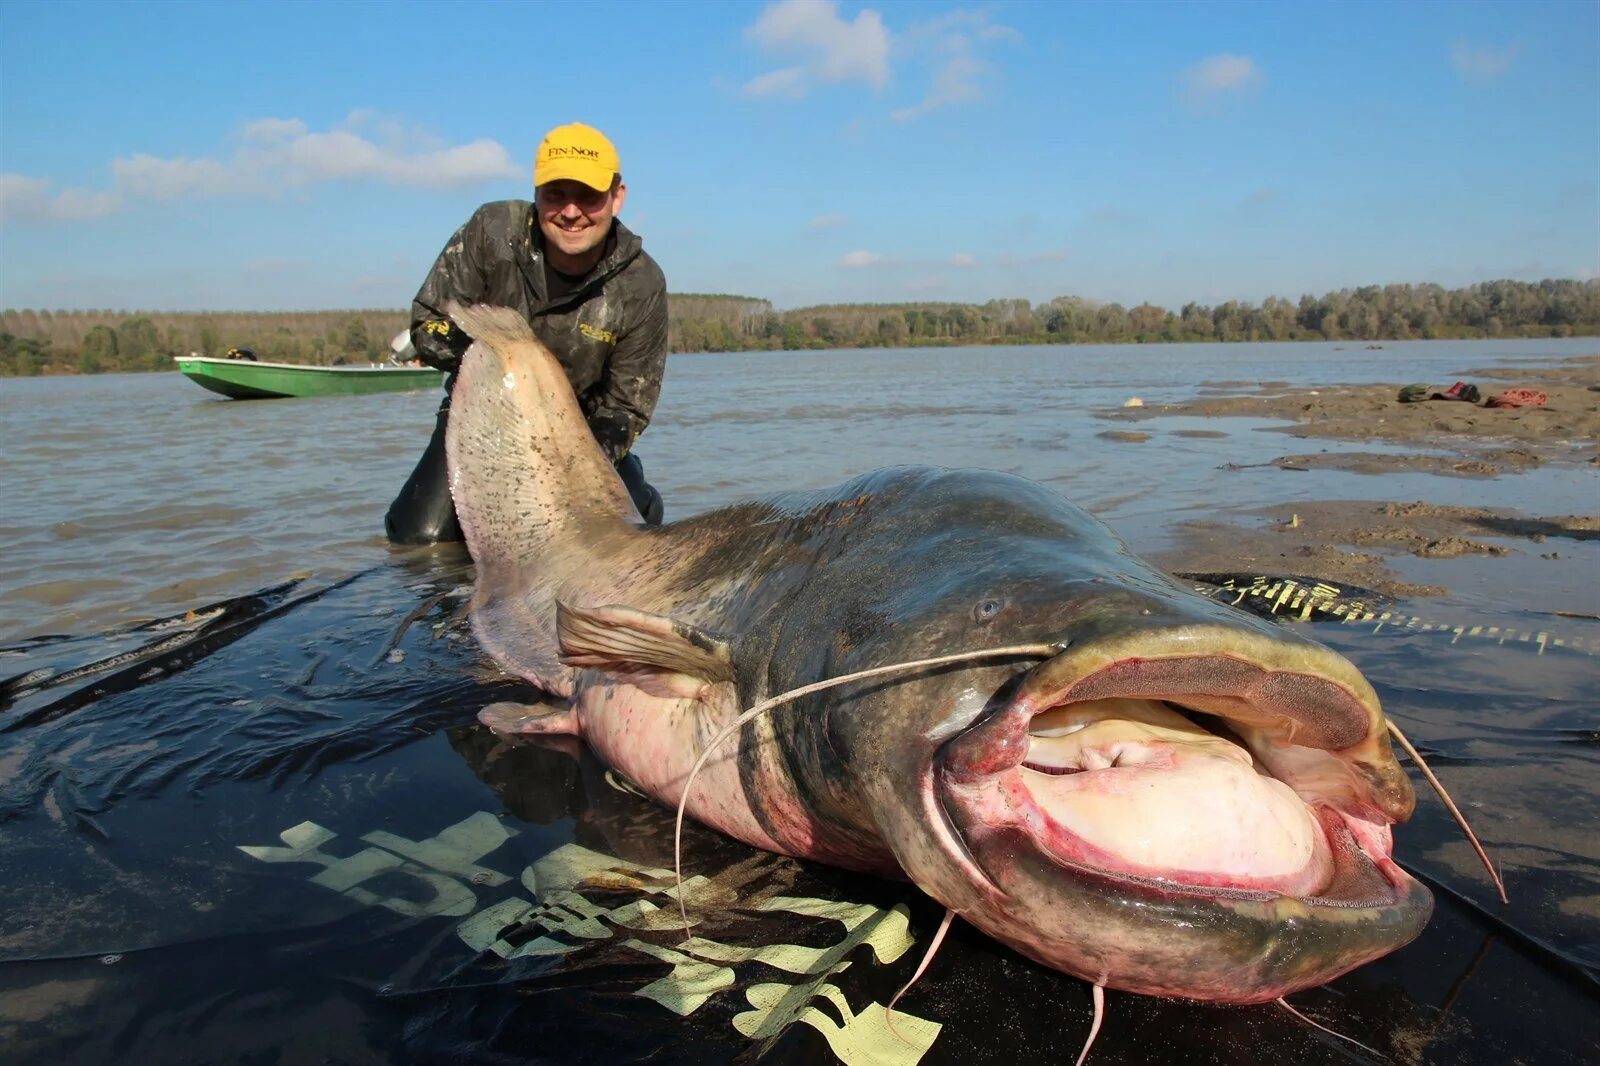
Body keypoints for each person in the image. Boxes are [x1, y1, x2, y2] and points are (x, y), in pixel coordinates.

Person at [385, 122, 667, 544]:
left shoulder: (643, 283)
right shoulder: (491, 231)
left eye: (588, 196)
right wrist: (505, 360)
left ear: (617, 197)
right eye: (556, 194)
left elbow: (627, 407)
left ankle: (638, 490)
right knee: (420, 540)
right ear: (536, 193)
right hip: (480, 415)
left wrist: (564, 466)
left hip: (582, 433)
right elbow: (427, 326)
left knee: (624, 531)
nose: (571, 212)